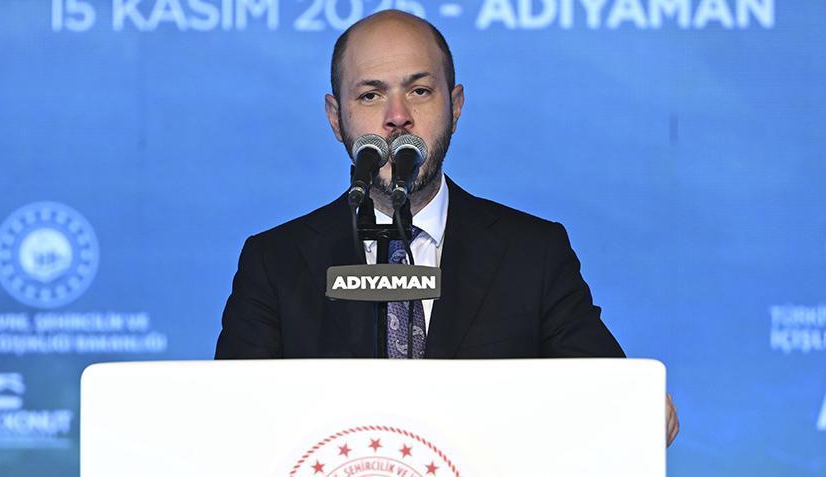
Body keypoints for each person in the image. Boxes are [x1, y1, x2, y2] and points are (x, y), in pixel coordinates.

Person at [214, 9, 678, 446]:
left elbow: (610, 395)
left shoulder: (532, 254)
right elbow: (231, 426)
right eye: (370, 95)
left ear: (455, 107)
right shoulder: (275, 263)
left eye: (419, 91)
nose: (397, 116)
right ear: (336, 118)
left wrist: (639, 411)